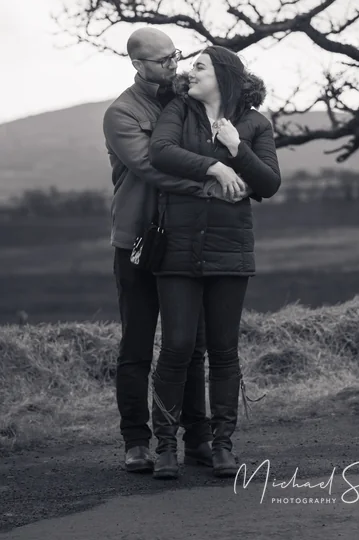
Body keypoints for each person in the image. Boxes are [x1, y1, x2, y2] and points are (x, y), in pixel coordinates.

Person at [103, 28, 249, 473]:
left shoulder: (185, 101)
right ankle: (136, 442)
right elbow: (152, 166)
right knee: (139, 344)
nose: (174, 65)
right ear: (138, 65)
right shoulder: (122, 114)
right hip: (141, 239)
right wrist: (211, 179)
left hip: (185, 238)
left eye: (176, 56)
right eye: (163, 60)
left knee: (190, 343)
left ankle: (198, 438)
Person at [147, 44, 281, 480]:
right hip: (178, 248)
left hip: (230, 250)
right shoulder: (179, 111)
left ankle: (221, 447)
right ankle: (166, 446)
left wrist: (237, 149)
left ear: (222, 75)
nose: (190, 73)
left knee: (224, 351)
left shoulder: (256, 124)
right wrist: (215, 168)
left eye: (199, 67)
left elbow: (269, 183)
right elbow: (161, 152)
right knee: (178, 347)